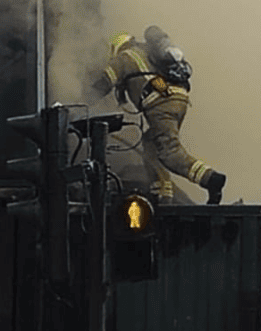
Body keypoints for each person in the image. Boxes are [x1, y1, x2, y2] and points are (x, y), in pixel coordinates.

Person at [97, 27, 226, 206]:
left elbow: (104, 82)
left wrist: (79, 98)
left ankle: (211, 180)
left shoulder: (124, 57)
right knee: (150, 143)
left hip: (160, 104)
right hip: (178, 98)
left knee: (169, 152)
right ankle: (162, 194)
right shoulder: (146, 53)